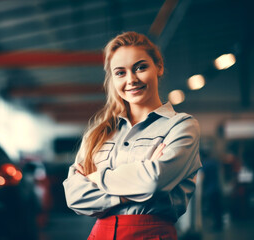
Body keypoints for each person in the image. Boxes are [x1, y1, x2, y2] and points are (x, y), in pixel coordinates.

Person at [63, 31, 201, 240]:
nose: (131, 79)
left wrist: (94, 179)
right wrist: (134, 186)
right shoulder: (97, 134)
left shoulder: (181, 126)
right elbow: (75, 197)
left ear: (159, 67)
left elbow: (154, 181)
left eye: (141, 67)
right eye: (120, 72)